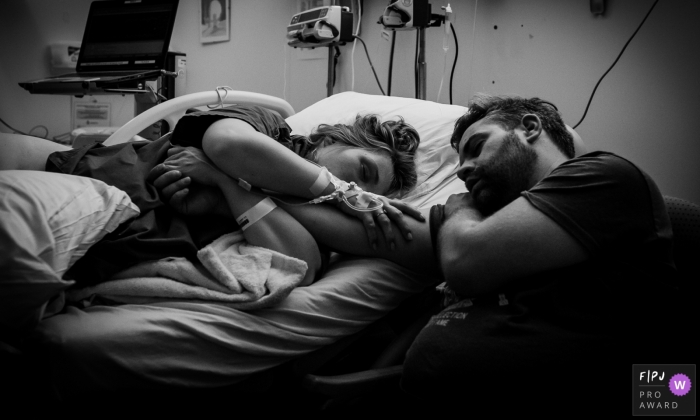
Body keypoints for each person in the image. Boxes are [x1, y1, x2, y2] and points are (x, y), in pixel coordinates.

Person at [156, 95, 683, 413]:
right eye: (457, 162)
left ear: (529, 127)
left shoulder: (605, 176)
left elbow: (466, 260)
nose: (461, 171)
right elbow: (361, 233)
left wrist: (456, 209)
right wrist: (241, 186)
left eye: (476, 147)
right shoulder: (488, 221)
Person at [0, 104, 423, 289]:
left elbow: (304, 264)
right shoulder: (267, 126)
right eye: (362, 171)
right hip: (56, 173)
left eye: (369, 190)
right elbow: (227, 145)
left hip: (89, 243)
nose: (358, 189)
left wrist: (226, 191)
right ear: (336, 137)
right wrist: (342, 190)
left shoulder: (291, 210)